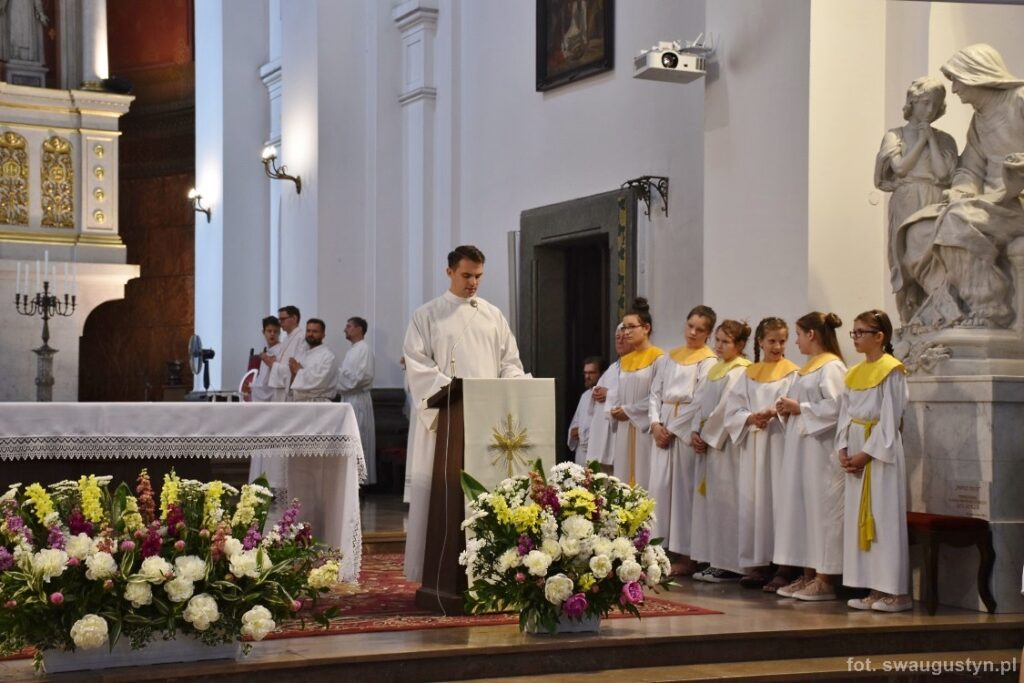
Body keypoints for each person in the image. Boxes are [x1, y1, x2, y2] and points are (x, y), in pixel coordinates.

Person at [402, 245, 525, 581]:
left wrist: (511, 387)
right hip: (444, 419)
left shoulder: (493, 315)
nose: (473, 283)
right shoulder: (427, 315)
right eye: (466, 275)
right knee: (444, 497)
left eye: (478, 276)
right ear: (450, 272)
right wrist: (453, 392)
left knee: (486, 494)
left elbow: (510, 363)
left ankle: (490, 572)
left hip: (488, 419)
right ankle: (438, 571)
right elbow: (417, 364)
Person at [899, 44, 1024, 327]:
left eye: (957, 80)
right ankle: (947, 309)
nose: (954, 89)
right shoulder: (979, 121)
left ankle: (991, 307)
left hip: (1017, 203)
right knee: (918, 230)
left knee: (956, 220)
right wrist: (960, 190)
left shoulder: (1020, 101)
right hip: (991, 205)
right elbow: (969, 168)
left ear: (976, 75)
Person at [838, 310, 911, 612]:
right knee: (861, 519)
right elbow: (845, 413)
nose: (855, 338)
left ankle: (897, 593)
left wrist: (865, 454)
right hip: (857, 447)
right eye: (853, 332)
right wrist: (842, 447)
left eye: (860, 332)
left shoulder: (892, 370)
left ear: (879, 336)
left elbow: (891, 420)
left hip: (881, 452)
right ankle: (873, 589)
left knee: (883, 518)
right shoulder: (853, 372)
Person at [773, 312, 847, 602]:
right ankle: (807, 573)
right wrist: (786, 408)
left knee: (821, 512)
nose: (796, 341)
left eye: (799, 334)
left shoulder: (832, 367)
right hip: (801, 448)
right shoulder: (808, 368)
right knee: (801, 509)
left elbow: (837, 407)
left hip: (821, 452)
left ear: (812, 334)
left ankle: (825, 579)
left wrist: (800, 407)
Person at [724, 317, 799, 591]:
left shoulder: (793, 373)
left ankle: (785, 566)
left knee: (780, 502)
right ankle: (759, 563)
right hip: (754, 444)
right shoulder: (750, 373)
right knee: (755, 503)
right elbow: (733, 409)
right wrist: (749, 417)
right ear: (760, 342)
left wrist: (775, 413)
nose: (777, 346)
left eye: (782, 341)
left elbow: (796, 407)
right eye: (772, 341)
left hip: (779, 443)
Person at [875, 77, 958, 322]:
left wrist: (931, 139)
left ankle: (937, 314)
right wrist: (921, 141)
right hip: (908, 197)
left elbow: (943, 174)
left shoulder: (945, 139)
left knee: (933, 255)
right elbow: (900, 168)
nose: (929, 110)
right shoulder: (895, 135)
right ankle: (908, 318)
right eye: (925, 103)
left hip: (935, 198)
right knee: (904, 258)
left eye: (935, 105)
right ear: (912, 101)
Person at [648, 305, 717, 575]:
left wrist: (673, 429)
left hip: (684, 430)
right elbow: (655, 393)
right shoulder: (669, 357)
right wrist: (655, 424)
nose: (693, 333)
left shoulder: (708, 361)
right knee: (660, 489)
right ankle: (660, 549)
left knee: (683, 493)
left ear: (708, 333)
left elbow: (700, 399)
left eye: (700, 329)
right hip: (664, 426)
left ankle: (687, 555)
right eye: (690, 326)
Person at [690, 320, 752, 584]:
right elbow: (700, 403)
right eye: (717, 340)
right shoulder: (716, 368)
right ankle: (714, 559)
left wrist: (706, 434)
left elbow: (727, 407)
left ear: (740, 345)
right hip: (710, 442)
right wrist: (695, 429)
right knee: (712, 502)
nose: (719, 346)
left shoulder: (740, 370)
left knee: (728, 501)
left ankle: (730, 564)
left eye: (725, 342)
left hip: (727, 445)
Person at [608, 298, 664, 489]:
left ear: (646, 328)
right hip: (624, 428)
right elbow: (616, 393)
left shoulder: (659, 358)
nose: (626, 332)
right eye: (624, 327)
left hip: (645, 429)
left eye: (631, 327)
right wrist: (614, 409)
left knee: (644, 477)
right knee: (623, 479)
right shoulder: (624, 361)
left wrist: (629, 410)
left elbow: (658, 396)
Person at [336, 316, 376, 485]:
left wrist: (338, 375)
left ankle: (360, 482)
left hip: (358, 400)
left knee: (359, 438)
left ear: (359, 329)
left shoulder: (364, 349)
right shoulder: (352, 350)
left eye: (349, 326)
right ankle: (349, 480)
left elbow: (362, 377)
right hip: (348, 399)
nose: (345, 329)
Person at [585, 324, 627, 473]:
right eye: (617, 338)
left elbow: (636, 396)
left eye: (623, 338)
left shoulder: (638, 367)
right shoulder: (612, 368)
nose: (620, 341)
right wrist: (596, 392)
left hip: (619, 431)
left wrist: (609, 394)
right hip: (601, 431)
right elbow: (598, 390)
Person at [264, 305, 307, 402]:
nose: (280, 323)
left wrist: (273, 364)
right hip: (280, 386)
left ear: (294, 318)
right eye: (279, 320)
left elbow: (297, 367)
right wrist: (274, 363)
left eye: (283, 319)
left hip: (290, 388)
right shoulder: (286, 339)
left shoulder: (302, 337)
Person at [288, 319, 336, 402]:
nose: (310, 334)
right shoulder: (302, 354)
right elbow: (295, 382)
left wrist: (299, 371)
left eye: (315, 331)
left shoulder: (328, 356)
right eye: (308, 331)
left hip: (319, 402)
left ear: (323, 335)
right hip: (300, 401)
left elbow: (320, 382)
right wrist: (293, 374)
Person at [568, 356, 603, 465]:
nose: (587, 376)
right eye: (585, 373)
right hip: (581, 453)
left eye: (592, 373)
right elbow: (576, 422)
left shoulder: (607, 396)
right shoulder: (585, 396)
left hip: (598, 452)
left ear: (602, 374)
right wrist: (572, 432)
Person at [249, 316, 282, 403]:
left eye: (275, 331)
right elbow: (263, 381)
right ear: (263, 332)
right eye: (269, 331)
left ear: (279, 332)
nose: (272, 334)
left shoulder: (281, 351)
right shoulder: (266, 353)